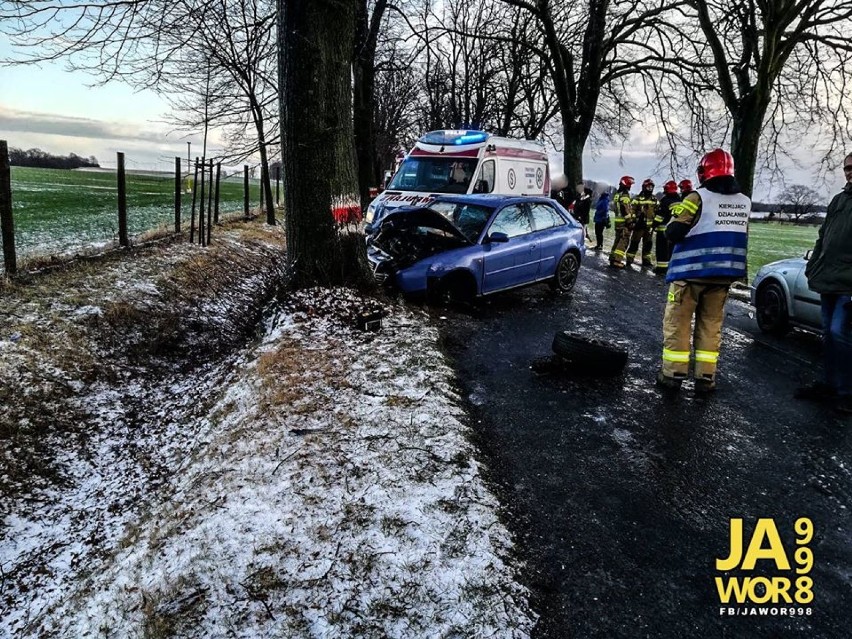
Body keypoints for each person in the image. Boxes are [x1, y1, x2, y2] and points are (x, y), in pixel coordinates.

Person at [656, 149, 750, 393]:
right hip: (723, 277)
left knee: (678, 323)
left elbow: (673, 233)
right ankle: (705, 378)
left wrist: (672, 222)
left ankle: (673, 375)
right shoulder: (744, 202)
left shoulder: (697, 197)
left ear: (704, 171)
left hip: (690, 275)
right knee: (711, 325)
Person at [794, 152, 852, 414]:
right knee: (828, 333)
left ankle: (847, 391)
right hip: (829, 280)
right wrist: (813, 264)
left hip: (848, 285)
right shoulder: (839, 200)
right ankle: (830, 385)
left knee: (841, 334)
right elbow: (823, 236)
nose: (849, 172)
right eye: (847, 168)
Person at [625, 178, 658, 267]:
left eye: (651, 187)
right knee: (634, 243)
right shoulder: (637, 198)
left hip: (649, 227)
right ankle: (629, 259)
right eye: (648, 187)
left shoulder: (654, 199)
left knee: (648, 245)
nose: (650, 189)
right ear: (644, 187)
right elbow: (632, 211)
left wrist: (655, 223)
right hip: (639, 226)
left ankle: (646, 261)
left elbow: (657, 211)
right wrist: (635, 221)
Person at [653, 180, 680, 275]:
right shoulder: (680, 201)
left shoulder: (665, 201)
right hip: (675, 230)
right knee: (672, 250)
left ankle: (661, 269)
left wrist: (653, 225)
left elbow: (660, 217)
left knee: (662, 250)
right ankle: (671, 268)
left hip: (663, 230)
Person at [609, 176, 635, 268]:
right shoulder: (624, 195)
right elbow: (625, 208)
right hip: (624, 222)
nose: (630, 186)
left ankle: (612, 257)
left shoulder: (617, 194)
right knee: (624, 241)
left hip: (618, 221)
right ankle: (617, 260)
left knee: (617, 240)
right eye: (630, 184)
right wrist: (629, 221)